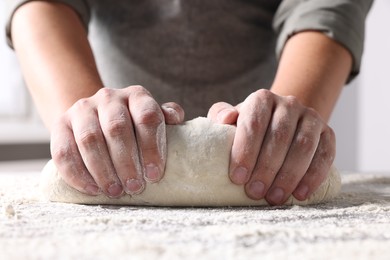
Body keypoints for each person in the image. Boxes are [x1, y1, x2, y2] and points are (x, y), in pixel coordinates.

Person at [5, 0, 373, 205]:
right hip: (111, 115)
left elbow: (326, 8)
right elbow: (42, 5)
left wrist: (285, 129)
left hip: (263, 116)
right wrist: (86, 125)